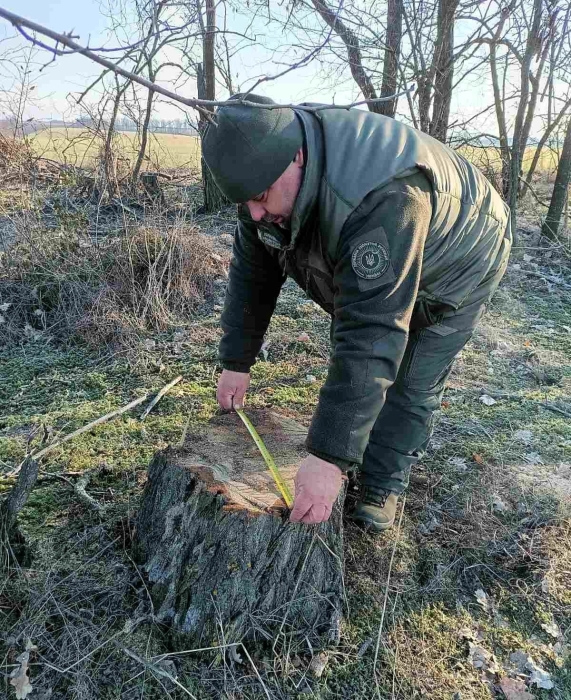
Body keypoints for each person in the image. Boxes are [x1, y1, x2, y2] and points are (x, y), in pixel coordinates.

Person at [202, 94, 511, 532]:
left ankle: (381, 484)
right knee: (362, 340)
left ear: (297, 156)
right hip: (388, 235)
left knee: (411, 376)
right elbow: (253, 274)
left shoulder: (383, 197)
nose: (255, 213)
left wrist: (328, 456)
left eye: (261, 197)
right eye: (244, 203)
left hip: (463, 253)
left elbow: (371, 330)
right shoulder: (263, 170)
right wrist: (236, 360)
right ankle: (355, 442)